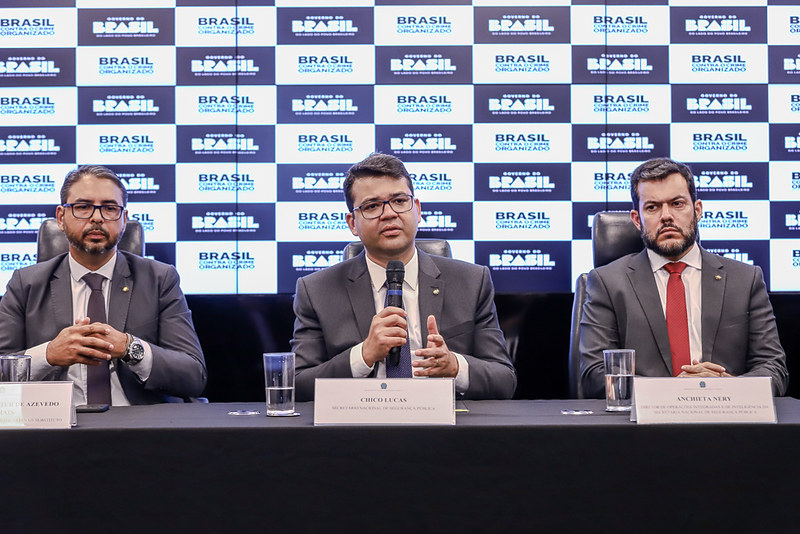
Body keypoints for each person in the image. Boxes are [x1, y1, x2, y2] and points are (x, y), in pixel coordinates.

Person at [291, 152, 516, 401]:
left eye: (399, 201)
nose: (389, 213)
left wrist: (454, 366)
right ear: (352, 223)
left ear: (417, 210)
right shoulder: (316, 291)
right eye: (372, 206)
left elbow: (504, 380)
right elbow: (298, 384)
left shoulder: (471, 282)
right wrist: (363, 356)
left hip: (445, 422)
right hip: (358, 421)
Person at [580, 157, 788, 397]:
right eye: (652, 207)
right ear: (637, 220)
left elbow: (774, 369)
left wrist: (725, 387)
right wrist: (675, 392)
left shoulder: (745, 280)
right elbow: (595, 374)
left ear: (697, 210)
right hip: (645, 420)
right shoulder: (607, 283)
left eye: (677, 204)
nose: (666, 216)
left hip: (725, 416)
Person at [0, 165, 206, 405]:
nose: (97, 218)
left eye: (109, 208)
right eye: (83, 207)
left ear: (124, 219)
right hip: (55, 421)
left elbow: (193, 376)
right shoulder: (26, 283)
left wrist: (130, 348)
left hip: (139, 422)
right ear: (61, 218)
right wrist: (48, 355)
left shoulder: (160, 279)